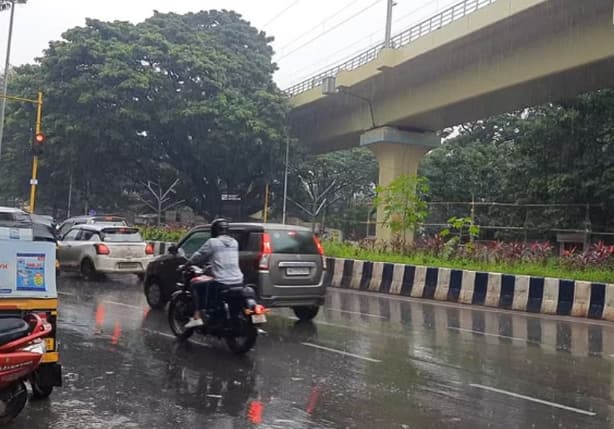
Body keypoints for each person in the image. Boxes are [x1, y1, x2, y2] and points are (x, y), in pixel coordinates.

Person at [184, 218, 243, 329]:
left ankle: (197, 317)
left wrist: (186, 265)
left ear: (214, 230)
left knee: (194, 284)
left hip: (222, 282)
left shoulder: (213, 242)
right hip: (238, 281)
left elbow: (198, 256)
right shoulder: (235, 243)